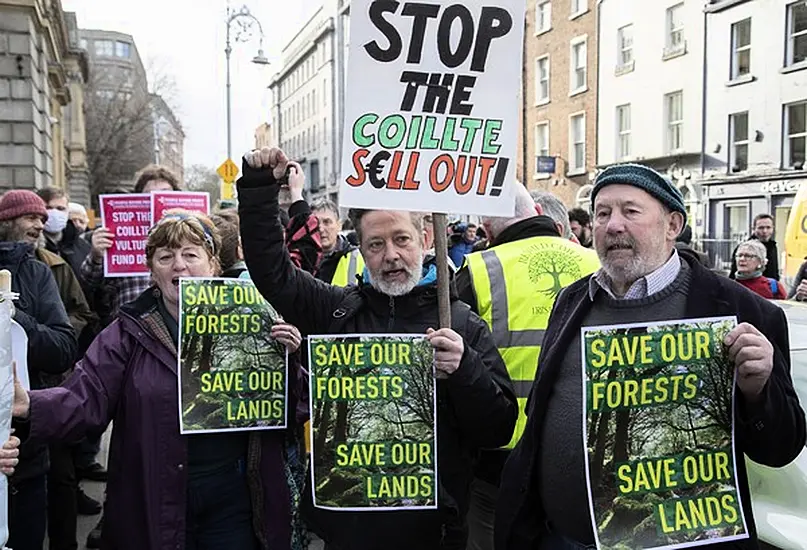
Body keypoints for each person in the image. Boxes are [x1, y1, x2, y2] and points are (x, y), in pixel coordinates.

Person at [495, 163, 806, 550]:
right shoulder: (573, 300)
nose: (613, 226)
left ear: (672, 225)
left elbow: (781, 447)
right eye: (603, 213)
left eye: (631, 211)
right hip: (562, 538)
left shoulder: (744, 311)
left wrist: (759, 391)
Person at [237, 147, 517, 550]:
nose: (391, 256)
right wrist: (260, 188)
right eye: (376, 244)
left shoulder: (459, 323)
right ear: (361, 251)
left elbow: (498, 427)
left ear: (423, 239)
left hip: (433, 530)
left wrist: (464, 368)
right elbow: (273, 272)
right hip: (350, 526)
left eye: (401, 239)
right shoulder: (337, 311)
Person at [13, 210, 310, 550]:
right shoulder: (126, 334)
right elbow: (85, 397)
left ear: (213, 265)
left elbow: (295, 407)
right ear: (152, 272)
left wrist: (288, 359)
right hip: (155, 492)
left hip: (235, 497)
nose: (179, 266)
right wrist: (31, 406)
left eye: (190, 254)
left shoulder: (255, 323)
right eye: (166, 257)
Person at [456, 187, 600, 550]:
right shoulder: (596, 263)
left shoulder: (478, 269)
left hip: (500, 454)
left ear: (487, 231)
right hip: (581, 446)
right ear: (539, 211)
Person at [0, 190, 78, 550]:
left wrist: (15, 318)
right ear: (6, 220)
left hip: (26, 446)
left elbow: (63, 349)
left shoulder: (38, 274)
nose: (39, 224)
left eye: (43, 219)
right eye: (31, 217)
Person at [36, 188, 93, 284]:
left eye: (60, 208)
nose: (54, 213)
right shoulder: (32, 246)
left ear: (67, 211)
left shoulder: (83, 246)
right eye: (48, 208)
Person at [312, 198, 364, 286]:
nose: (320, 229)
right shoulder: (300, 259)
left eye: (327, 222)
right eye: (315, 223)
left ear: (339, 225)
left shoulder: (357, 257)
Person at [730, 213, 779, 281]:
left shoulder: (773, 246)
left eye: (768, 227)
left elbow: (774, 273)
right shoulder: (744, 248)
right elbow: (734, 275)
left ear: (773, 228)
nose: (765, 231)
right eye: (761, 228)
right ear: (753, 229)